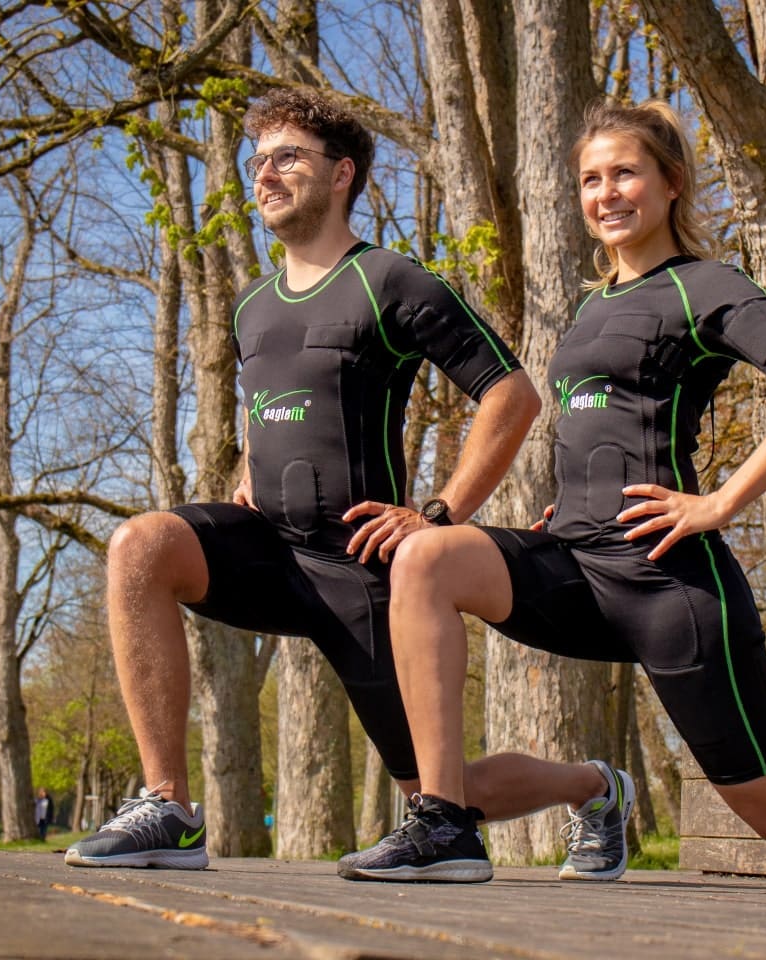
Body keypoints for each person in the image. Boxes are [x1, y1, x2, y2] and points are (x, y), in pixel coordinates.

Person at [342, 98, 766, 897]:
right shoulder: (592, 305)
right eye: (591, 180)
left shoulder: (705, 286)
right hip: (577, 562)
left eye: (625, 173)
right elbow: (606, 422)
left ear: (671, 183)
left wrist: (721, 502)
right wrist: (568, 505)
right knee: (427, 554)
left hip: (669, 583)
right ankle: (444, 821)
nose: (607, 193)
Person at [64, 88, 635, 877]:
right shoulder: (252, 307)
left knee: (441, 791)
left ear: (343, 174)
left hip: (357, 567)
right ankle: (167, 806)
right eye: (257, 161)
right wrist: (242, 472)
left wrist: (436, 514)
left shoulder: (390, 281)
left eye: (286, 158)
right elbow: (271, 406)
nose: (264, 175)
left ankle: (596, 789)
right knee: (142, 545)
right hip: (270, 551)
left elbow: (512, 394)